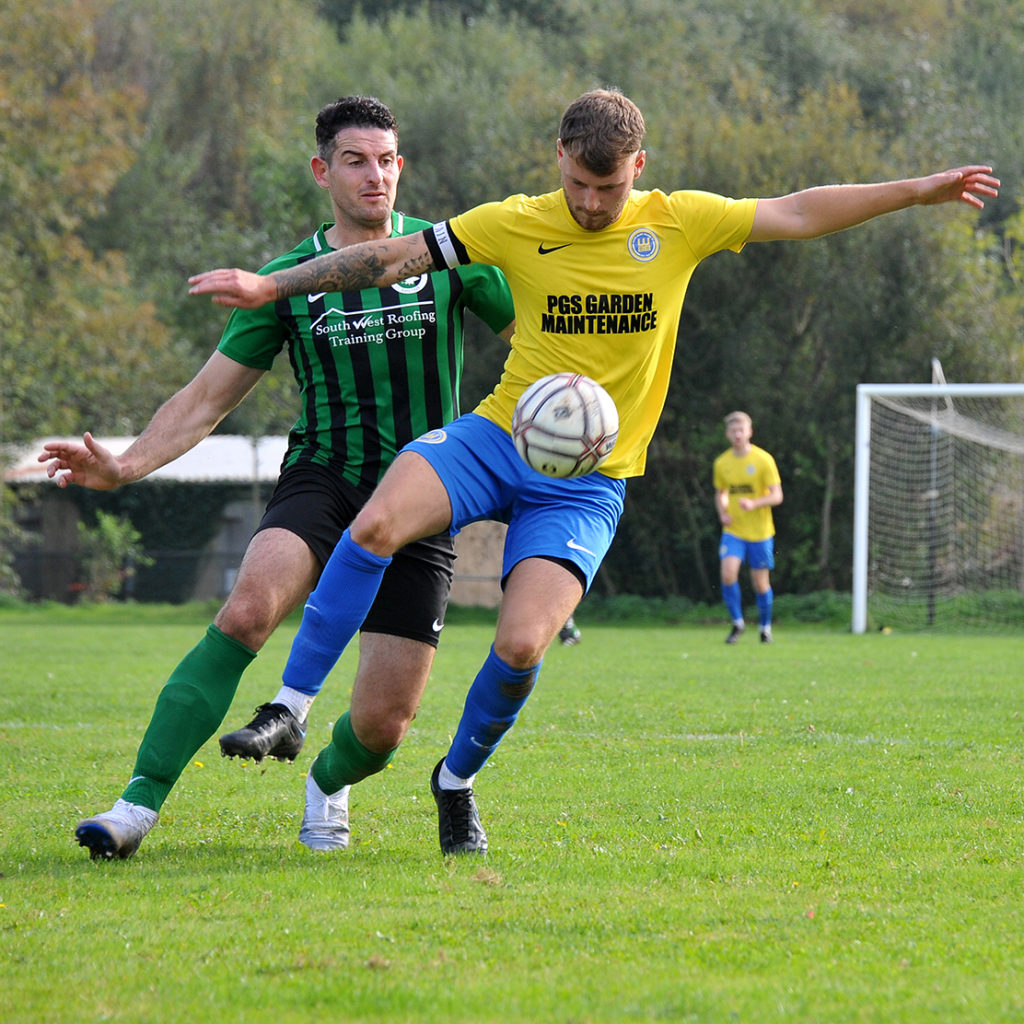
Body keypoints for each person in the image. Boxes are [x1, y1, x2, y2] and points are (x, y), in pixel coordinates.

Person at [189, 88, 998, 856]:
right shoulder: (513, 221)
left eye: (605, 187)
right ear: (559, 161)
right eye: (575, 181)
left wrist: (919, 191)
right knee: (375, 521)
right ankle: (289, 709)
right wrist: (272, 286)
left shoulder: (680, 223)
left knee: (519, 647)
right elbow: (388, 261)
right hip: (498, 435)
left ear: (638, 168)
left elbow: (799, 210)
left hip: (586, 480)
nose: (587, 203)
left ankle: (456, 777)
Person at [38, 96, 514, 859]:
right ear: (323, 171)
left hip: (424, 499)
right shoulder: (286, 279)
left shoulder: (450, 256)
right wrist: (124, 465)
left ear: (402, 167)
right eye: (356, 160)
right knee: (248, 610)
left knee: (382, 730)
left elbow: (541, 350)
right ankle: (135, 808)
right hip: (323, 480)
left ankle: (326, 780)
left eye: (387, 159)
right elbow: (203, 401)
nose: (375, 175)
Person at [713, 411, 783, 644]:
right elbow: (721, 493)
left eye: (741, 430)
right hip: (734, 531)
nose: (737, 435)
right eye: (733, 431)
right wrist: (723, 512)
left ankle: (765, 627)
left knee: (760, 583)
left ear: (749, 432)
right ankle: (737, 623)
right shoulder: (722, 463)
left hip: (760, 532)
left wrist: (754, 503)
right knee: (727, 573)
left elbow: (777, 496)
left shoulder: (763, 460)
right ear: (727, 434)